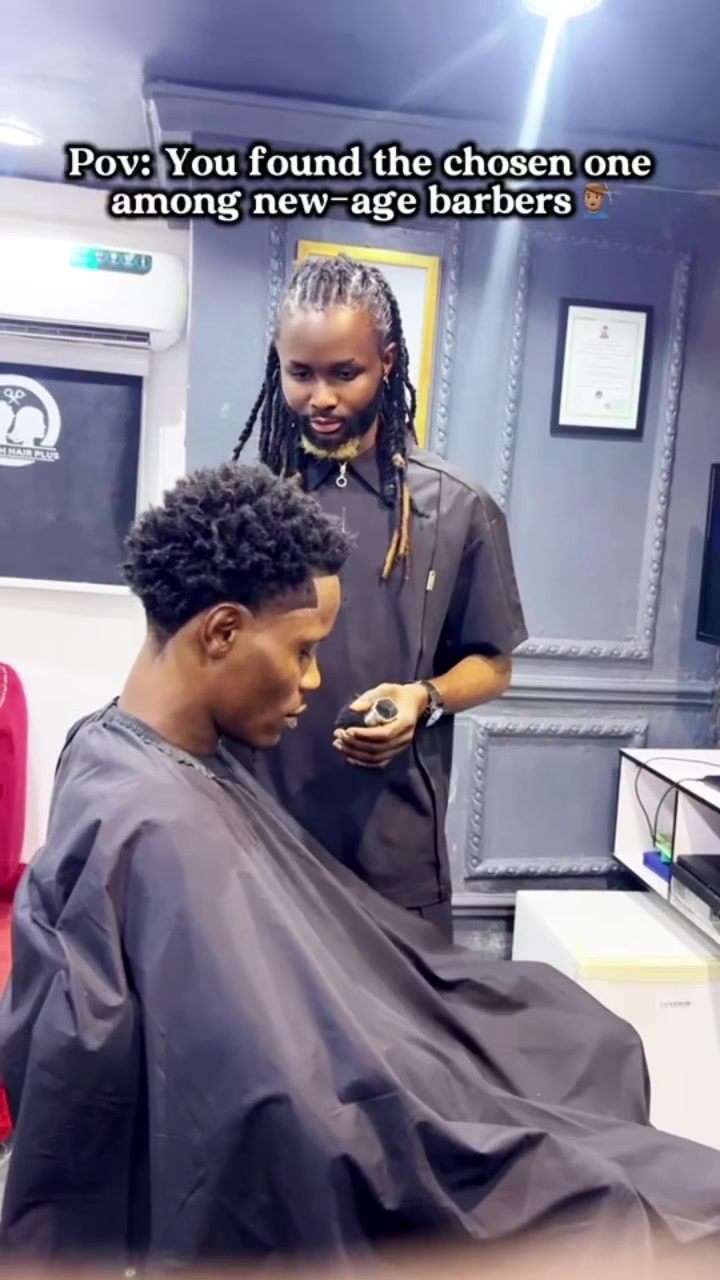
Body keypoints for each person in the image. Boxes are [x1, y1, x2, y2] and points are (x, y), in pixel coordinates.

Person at [3, 462, 720, 1268]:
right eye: (304, 650)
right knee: (606, 1179)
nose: (315, 680)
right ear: (223, 632)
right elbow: (278, 1100)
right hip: (340, 1120)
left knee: (573, 1038)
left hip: (357, 1058)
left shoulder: (112, 746)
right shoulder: (155, 821)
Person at [232, 253, 527, 941]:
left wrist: (426, 697)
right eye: (300, 373)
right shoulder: (246, 503)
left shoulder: (458, 508)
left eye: (345, 373)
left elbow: (495, 664)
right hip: (261, 835)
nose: (321, 398)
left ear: (387, 363)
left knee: (405, 1016)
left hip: (395, 852)